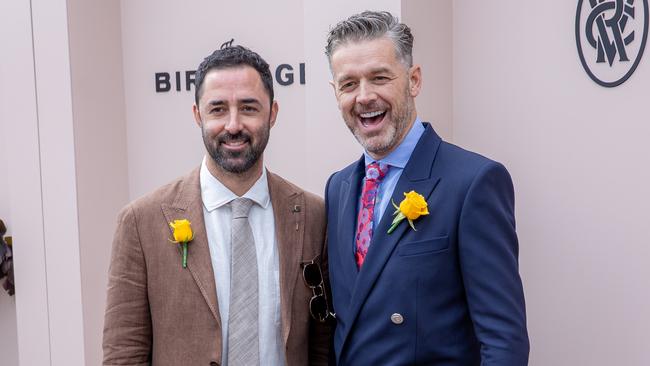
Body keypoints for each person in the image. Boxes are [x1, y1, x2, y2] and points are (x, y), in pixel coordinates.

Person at [103, 45, 330, 366]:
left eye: (249, 108)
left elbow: (322, 346)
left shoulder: (312, 215)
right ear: (198, 115)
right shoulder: (141, 222)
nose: (233, 125)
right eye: (218, 109)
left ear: (273, 113)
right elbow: (124, 352)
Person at [324, 11, 529, 365]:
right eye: (348, 84)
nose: (364, 96)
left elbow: (504, 343)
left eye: (379, 77)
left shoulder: (473, 183)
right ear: (336, 93)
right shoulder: (337, 187)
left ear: (414, 80)